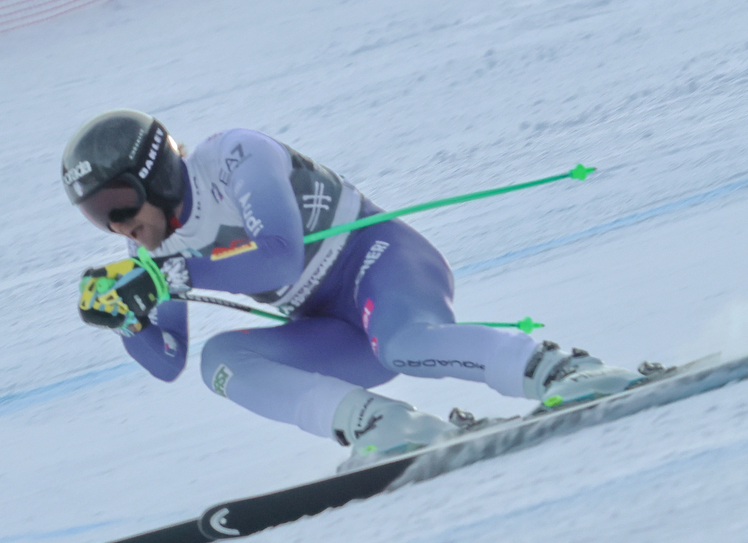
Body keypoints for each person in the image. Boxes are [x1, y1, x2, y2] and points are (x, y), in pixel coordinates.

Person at [65, 111, 644, 464]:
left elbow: (280, 258)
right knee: (220, 360)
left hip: (380, 264)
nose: (118, 226)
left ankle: (568, 371)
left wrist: (171, 277)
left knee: (406, 344)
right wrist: (129, 319)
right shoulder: (150, 248)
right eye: (98, 216)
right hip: (327, 326)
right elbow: (168, 362)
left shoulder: (235, 156)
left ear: (156, 175)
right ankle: (383, 425)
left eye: (117, 205)